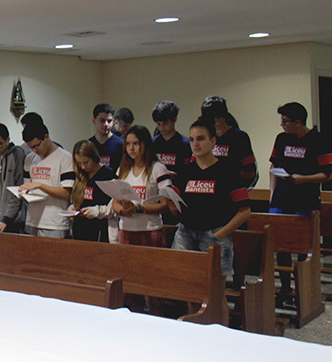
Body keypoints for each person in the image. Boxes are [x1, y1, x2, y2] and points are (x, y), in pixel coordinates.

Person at [170, 117, 251, 279]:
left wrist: (220, 234)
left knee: (214, 285)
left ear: (213, 141)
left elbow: (245, 211)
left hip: (214, 234)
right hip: (186, 233)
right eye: (192, 139)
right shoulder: (185, 171)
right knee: (183, 280)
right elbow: (174, 202)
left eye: (201, 139)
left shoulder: (228, 171)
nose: (195, 144)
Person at [268, 102, 332, 303]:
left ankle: (302, 290)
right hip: (281, 199)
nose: (282, 125)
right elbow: (273, 166)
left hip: (305, 200)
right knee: (281, 245)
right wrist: (272, 194)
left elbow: (327, 174)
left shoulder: (319, 140)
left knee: (302, 247)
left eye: (285, 121)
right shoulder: (282, 139)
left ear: (298, 122)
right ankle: (285, 289)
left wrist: (303, 179)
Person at [112, 125, 171, 314]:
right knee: (129, 285)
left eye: (136, 143)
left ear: (145, 144)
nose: (131, 148)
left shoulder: (158, 168)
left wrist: (139, 207)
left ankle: (157, 317)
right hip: (127, 231)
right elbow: (115, 202)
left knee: (153, 284)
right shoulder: (123, 169)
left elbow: (165, 203)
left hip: (150, 230)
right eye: (128, 144)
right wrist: (123, 210)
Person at [19, 120, 75, 238]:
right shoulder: (30, 159)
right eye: (31, 147)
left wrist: (40, 185)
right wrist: (22, 194)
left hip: (54, 223)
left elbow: (66, 193)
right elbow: (27, 188)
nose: (35, 150)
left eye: (37, 145)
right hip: (32, 220)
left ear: (46, 137)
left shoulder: (65, 158)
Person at [200, 96, 257, 187]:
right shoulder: (205, 137)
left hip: (232, 188)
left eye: (215, 119)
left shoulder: (239, 137)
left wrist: (225, 172)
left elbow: (249, 173)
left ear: (223, 117)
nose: (212, 123)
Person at [68, 140, 116, 243]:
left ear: (94, 157)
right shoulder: (81, 175)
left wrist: (94, 211)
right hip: (79, 229)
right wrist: (73, 208)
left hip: (99, 230)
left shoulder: (108, 175)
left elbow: (113, 207)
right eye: (79, 163)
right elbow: (79, 200)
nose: (83, 167)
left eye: (86, 162)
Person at [151, 100, 192, 177]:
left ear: (175, 119)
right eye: (159, 124)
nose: (162, 127)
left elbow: (189, 171)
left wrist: (176, 175)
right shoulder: (152, 143)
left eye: (166, 123)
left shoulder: (186, 144)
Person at [89, 103, 123, 170]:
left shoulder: (121, 144)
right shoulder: (89, 145)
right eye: (102, 121)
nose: (106, 124)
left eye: (109, 121)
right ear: (94, 121)